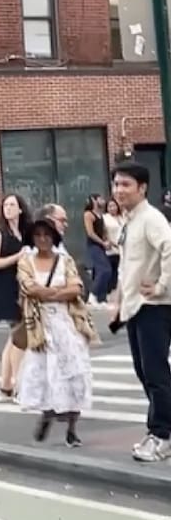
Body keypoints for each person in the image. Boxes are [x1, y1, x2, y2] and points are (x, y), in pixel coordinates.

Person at [15, 215, 98, 447]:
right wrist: (58, 291)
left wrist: (49, 293)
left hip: (68, 323)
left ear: (54, 237)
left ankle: (72, 428)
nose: (42, 239)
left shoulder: (65, 260)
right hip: (40, 327)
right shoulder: (26, 261)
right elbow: (28, 287)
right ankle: (48, 413)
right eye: (38, 235)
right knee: (45, 374)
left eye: (47, 235)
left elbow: (76, 288)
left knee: (74, 373)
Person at [110, 162, 171, 463]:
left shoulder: (151, 218)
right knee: (144, 371)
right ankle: (160, 431)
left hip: (155, 307)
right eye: (117, 184)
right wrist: (119, 305)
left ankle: (162, 435)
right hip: (136, 307)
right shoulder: (130, 220)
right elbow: (126, 267)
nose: (119, 190)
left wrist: (162, 285)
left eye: (126, 185)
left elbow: (170, 247)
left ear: (142, 188)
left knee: (156, 372)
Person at [0, 194, 31, 402]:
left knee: (14, 339)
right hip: (6, 290)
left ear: (21, 209)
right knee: (20, 338)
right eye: (5, 205)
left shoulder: (23, 232)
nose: (8, 208)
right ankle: (19, 386)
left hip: (22, 289)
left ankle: (5, 387)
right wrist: (17, 256)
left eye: (12, 205)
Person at [84, 194, 112, 305]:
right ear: (93, 200)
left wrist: (109, 242)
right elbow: (90, 233)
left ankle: (101, 298)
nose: (103, 201)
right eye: (100, 199)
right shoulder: (88, 214)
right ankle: (93, 295)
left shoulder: (101, 214)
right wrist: (102, 243)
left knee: (99, 271)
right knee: (105, 270)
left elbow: (104, 232)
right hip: (93, 245)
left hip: (101, 245)